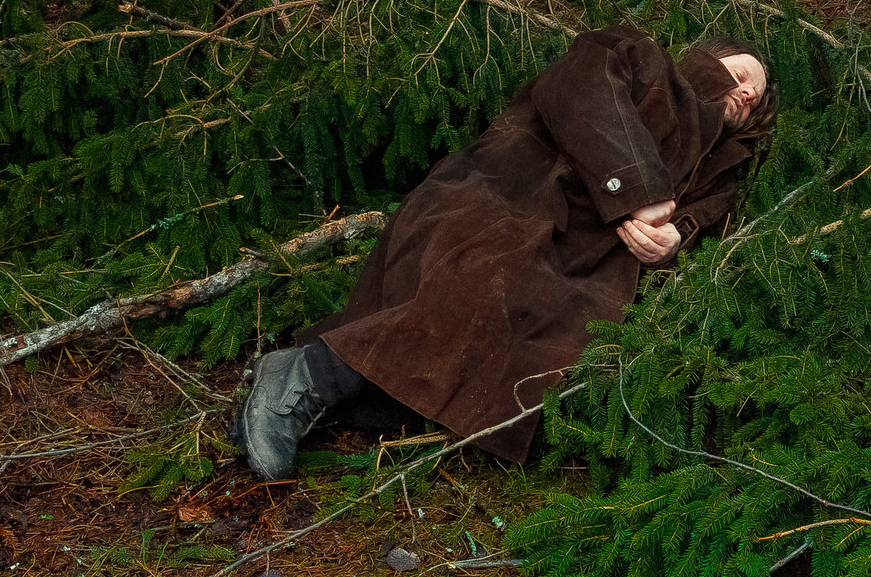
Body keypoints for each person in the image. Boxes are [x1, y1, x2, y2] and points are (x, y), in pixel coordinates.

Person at [231, 27, 776, 477]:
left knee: (539, 352)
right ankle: (307, 376)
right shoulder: (643, 59)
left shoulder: (722, 167)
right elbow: (580, 89)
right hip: (509, 198)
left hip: (587, 265)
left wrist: (674, 236)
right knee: (487, 277)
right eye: (742, 75)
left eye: (757, 97)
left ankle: (333, 395)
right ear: (709, 59)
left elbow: (701, 220)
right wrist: (638, 188)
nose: (749, 94)